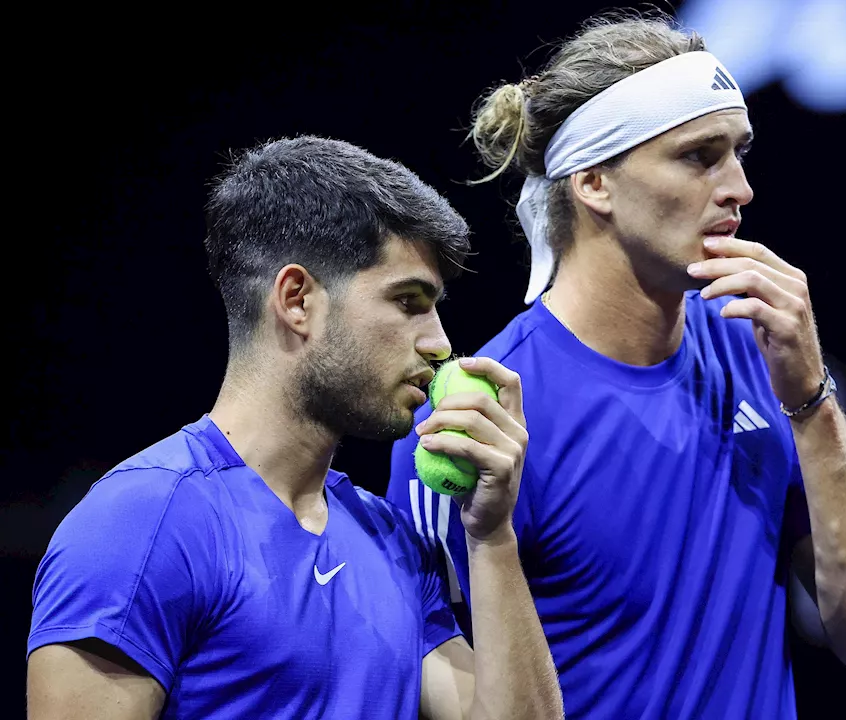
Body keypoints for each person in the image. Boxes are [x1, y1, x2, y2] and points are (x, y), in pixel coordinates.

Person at [388, 10, 846, 718]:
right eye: (700, 157)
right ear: (594, 185)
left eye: (739, 153)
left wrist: (812, 400)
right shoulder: (477, 416)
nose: (740, 189)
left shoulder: (760, 353)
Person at [27, 136, 563, 720]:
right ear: (297, 299)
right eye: (409, 301)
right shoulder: (140, 524)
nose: (440, 344)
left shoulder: (390, 539)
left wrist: (491, 536)